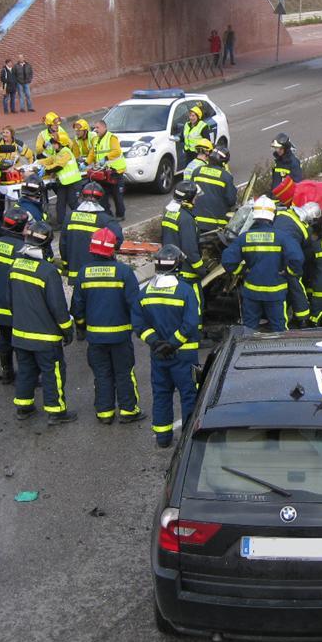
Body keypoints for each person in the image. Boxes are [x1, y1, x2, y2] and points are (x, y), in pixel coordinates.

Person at [70, 227, 144, 424]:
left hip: (95, 338)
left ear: (92, 249)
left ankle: (105, 413)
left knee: (102, 374)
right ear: (112, 249)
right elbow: (135, 304)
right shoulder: (124, 273)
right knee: (124, 373)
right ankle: (128, 411)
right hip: (120, 337)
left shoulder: (84, 273)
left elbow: (77, 307)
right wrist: (138, 328)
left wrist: (82, 327)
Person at [7, 220, 76, 424]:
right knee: (52, 373)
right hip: (46, 338)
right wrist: (67, 330)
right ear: (46, 245)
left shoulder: (15, 266)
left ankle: (24, 407)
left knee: (26, 371)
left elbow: (10, 301)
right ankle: (56, 412)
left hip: (20, 335)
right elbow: (58, 307)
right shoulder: (47, 272)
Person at [135, 244, 202, 448]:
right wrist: (173, 344)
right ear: (178, 265)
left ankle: (163, 438)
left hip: (158, 356)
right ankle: (190, 439)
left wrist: (155, 342)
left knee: (161, 394)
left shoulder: (145, 292)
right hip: (184, 355)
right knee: (189, 395)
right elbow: (191, 324)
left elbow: (139, 324)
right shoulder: (185, 291)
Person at [221, 196, 304, 332]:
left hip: (251, 293)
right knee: (279, 329)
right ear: (273, 215)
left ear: (254, 215)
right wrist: (288, 271)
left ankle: (247, 352)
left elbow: (228, 260)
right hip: (275, 293)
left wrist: (242, 271)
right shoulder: (282, 237)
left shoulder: (244, 237)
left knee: (248, 329)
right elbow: (297, 258)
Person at [0, 204, 30, 384]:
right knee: (23, 342)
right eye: (26, 225)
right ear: (19, 227)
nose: (28, 228)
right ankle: (27, 377)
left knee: (4, 338)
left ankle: (7, 373)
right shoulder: (22, 248)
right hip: (17, 306)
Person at [62, 181, 123, 281]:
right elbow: (118, 239)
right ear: (100, 198)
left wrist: (66, 264)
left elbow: (63, 244)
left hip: (76, 272)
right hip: (98, 272)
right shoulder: (105, 220)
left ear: (82, 196)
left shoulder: (69, 217)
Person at [273, 201, 320, 326]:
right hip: (285, 258)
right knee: (295, 283)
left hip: (267, 253)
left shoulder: (283, 212)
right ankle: (303, 318)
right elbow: (303, 253)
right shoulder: (305, 230)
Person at [36, 129, 83, 229]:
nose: (53, 145)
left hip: (73, 182)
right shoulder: (58, 153)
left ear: (60, 143)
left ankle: (82, 220)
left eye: (54, 143)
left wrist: (45, 170)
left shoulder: (66, 152)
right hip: (63, 183)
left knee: (72, 202)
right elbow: (50, 160)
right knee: (60, 203)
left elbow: (58, 166)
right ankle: (61, 223)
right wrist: (36, 163)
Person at [161, 181, 204, 282]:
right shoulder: (186, 219)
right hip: (185, 272)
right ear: (189, 199)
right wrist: (201, 269)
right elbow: (190, 249)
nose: (196, 199)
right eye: (195, 197)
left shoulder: (169, 212)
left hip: (170, 266)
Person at [88, 119, 126, 220]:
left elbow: (116, 151)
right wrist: (86, 162)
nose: (96, 130)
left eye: (98, 127)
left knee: (117, 196)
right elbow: (93, 153)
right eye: (95, 128)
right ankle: (107, 215)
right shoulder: (96, 139)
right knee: (102, 196)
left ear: (104, 127)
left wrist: (105, 158)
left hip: (115, 172)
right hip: (103, 172)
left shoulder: (111, 138)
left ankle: (120, 215)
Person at [192, 147, 237, 234]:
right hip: (216, 225)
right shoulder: (226, 176)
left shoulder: (197, 171)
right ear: (224, 162)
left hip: (195, 222)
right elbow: (231, 201)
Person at [17, 179, 55, 259]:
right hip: (33, 246)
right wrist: (49, 255)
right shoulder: (34, 211)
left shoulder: (19, 204)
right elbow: (41, 233)